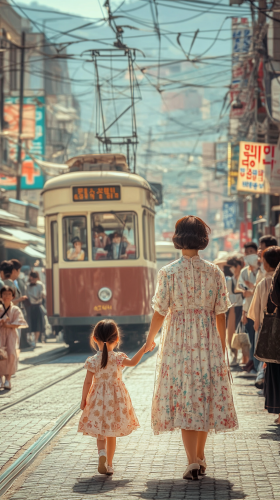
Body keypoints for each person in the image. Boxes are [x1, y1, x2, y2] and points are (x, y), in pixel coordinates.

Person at [144, 215, 238, 481]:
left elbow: (160, 311)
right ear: (203, 239)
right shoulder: (214, 272)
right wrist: (221, 349)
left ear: (177, 238)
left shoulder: (168, 272)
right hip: (208, 341)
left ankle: (192, 460)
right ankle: (199, 457)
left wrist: (150, 339)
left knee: (186, 397)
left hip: (178, 344)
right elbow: (221, 313)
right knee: (203, 396)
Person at [78, 319, 150, 475]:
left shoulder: (92, 361)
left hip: (97, 400)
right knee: (111, 433)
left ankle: (101, 454)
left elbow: (87, 382)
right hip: (115, 400)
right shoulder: (118, 358)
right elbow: (132, 362)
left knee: (100, 431)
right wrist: (144, 349)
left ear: (94, 338)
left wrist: (83, 400)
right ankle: (109, 464)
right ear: (117, 339)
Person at [236, 241, 259, 373]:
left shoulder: (263, 269)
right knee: (250, 338)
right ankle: (253, 363)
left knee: (259, 339)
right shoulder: (245, 271)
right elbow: (240, 289)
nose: (249, 255)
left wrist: (253, 288)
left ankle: (256, 364)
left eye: (251, 252)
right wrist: (244, 313)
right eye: (247, 252)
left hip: (260, 311)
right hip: (249, 309)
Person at [0, 286, 28, 390]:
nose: (6, 296)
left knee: (11, 354)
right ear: (1, 296)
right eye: (4, 294)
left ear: (12, 296)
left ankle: (8, 379)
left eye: (9, 294)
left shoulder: (15, 309)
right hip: (0, 333)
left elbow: (20, 322)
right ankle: (0, 378)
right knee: (0, 355)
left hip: (11, 334)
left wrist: (8, 325)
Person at [226, 256, 245, 366]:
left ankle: (245, 358)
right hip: (233, 308)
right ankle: (234, 357)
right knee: (232, 333)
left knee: (242, 334)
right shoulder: (230, 280)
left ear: (238, 266)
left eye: (233, 266)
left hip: (244, 308)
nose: (232, 269)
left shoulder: (244, 277)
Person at [26, 271, 45, 344]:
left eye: (33, 278)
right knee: (31, 323)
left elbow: (42, 294)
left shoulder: (40, 285)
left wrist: (42, 295)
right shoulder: (28, 285)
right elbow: (26, 294)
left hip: (38, 305)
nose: (32, 279)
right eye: (31, 278)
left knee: (38, 324)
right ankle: (33, 339)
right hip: (30, 306)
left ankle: (36, 340)